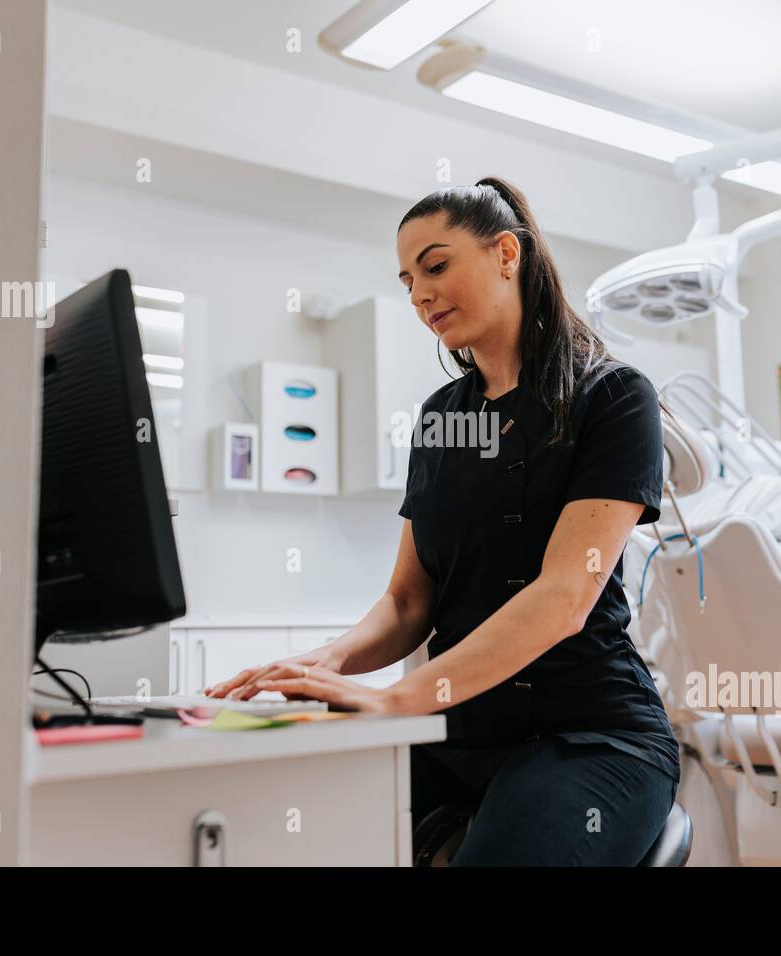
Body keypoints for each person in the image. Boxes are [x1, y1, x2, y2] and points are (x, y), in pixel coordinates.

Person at [206, 176, 680, 866]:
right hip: (455, 731)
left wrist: (398, 699)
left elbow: (563, 598)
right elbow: (407, 601)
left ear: (506, 255)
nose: (420, 294)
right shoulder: (441, 419)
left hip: (591, 736)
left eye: (436, 265)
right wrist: (321, 663)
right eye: (406, 281)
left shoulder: (611, 396)